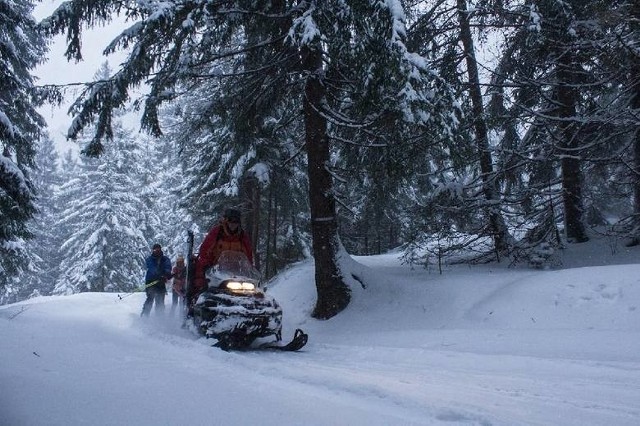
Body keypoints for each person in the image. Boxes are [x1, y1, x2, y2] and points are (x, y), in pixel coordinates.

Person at [188, 208, 253, 310]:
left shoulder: (242, 236)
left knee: (250, 292)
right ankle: (194, 308)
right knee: (201, 284)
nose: (233, 224)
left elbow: (248, 255)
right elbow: (204, 249)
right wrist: (206, 264)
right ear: (226, 221)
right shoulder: (217, 232)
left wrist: (249, 268)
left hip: (235, 272)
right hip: (215, 270)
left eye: (236, 222)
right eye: (231, 221)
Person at [141, 243, 172, 317]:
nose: (157, 251)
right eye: (155, 249)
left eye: (158, 249)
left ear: (160, 249)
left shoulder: (165, 259)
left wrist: (166, 273)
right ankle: (144, 316)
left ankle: (159, 317)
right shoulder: (150, 259)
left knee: (160, 301)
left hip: (161, 283)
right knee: (150, 298)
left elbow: (168, 266)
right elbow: (151, 267)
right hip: (151, 281)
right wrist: (159, 274)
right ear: (153, 250)